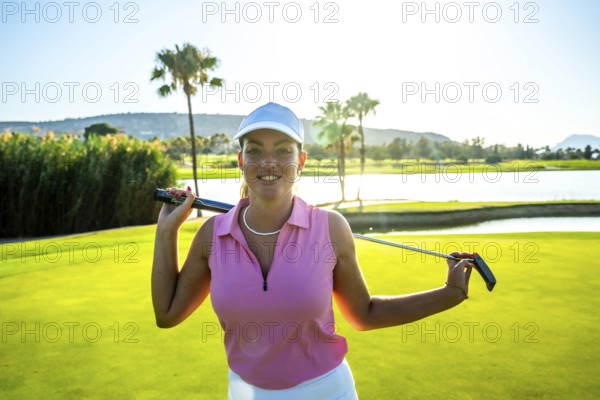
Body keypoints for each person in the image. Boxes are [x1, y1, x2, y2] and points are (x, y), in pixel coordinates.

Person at [151, 102, 474, 399]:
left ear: (301, 161)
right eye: (254, 151)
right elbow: (167, 314)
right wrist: (167, 231)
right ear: (241, 161)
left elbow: (364, 314)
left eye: (282, 151)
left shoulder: (330, 228)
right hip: (245, 393)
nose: (268, 163)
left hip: (327, 392)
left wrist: (449, 293)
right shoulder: (213, 235)